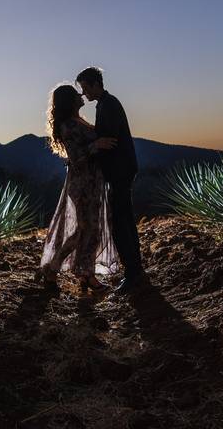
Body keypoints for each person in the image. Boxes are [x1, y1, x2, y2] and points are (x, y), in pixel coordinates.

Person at [38, 84, 120, 293]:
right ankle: (61, 269)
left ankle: (80, 273)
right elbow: (76, 158)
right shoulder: (68, 126)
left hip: (92, 181)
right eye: (76, 94)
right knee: (85, 229)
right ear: (69, 100)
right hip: (82, 183)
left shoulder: (77, 121)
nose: (81, 94)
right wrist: (97, 144)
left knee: (91, 229)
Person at [75, 66, 145, 295]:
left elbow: (108, 140)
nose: (84, 93)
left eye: (85, 87)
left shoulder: (109, 105)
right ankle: (135, 270)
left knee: (121, 222)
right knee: (123, 219)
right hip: (120, 171)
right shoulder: (105, 105)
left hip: (120, 171)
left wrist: (88, 150)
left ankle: (133, 272)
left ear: (96, 84)